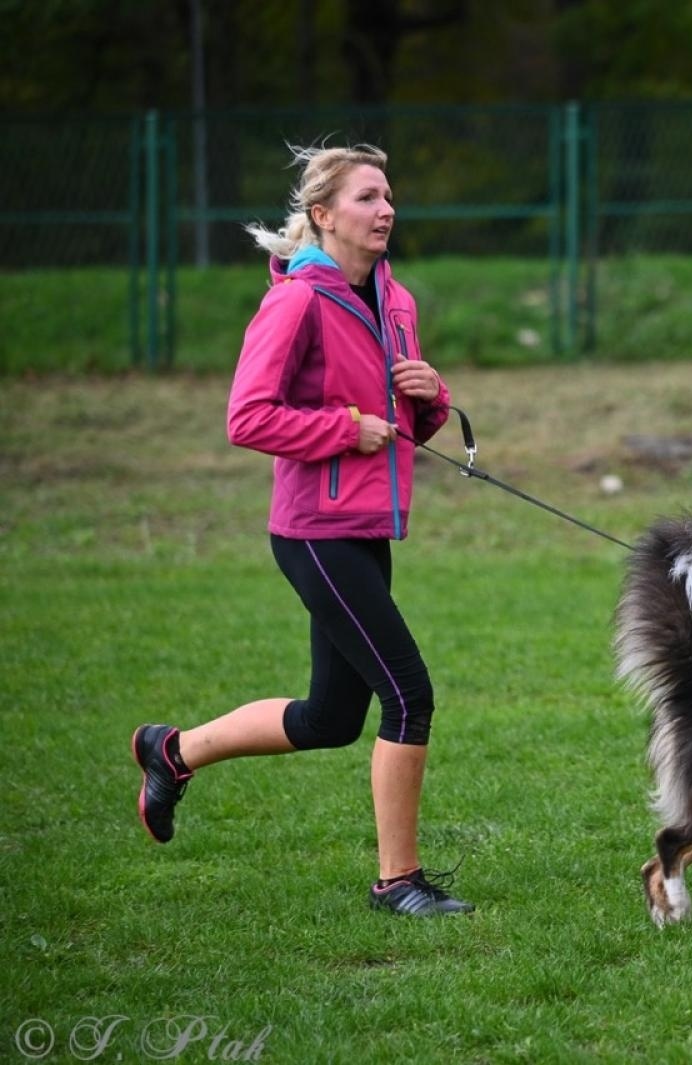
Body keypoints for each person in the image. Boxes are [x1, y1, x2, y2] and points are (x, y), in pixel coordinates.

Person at [131, 143, 472, 917]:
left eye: (388, 195)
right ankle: (398, 881)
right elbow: (247, 417)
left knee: (331, 719)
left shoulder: (396, 301)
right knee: (408, 693)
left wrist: (431, 394)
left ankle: (171, 750)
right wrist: (344, 428)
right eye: (366, 197)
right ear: (323, 215)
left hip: (367, 526)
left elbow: (407, 425)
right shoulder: (296, 302)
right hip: (314, 530)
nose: (386, 209)